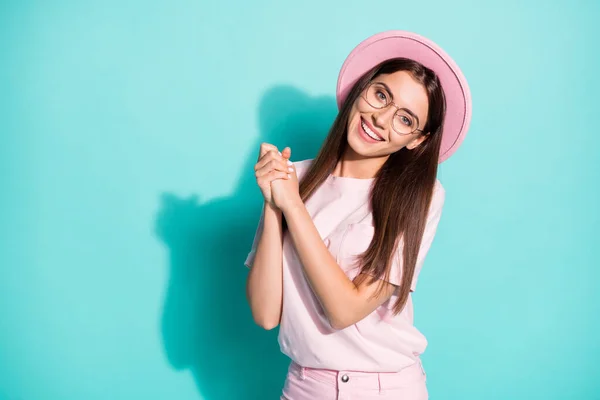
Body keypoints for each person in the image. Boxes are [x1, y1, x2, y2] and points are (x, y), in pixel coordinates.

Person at [245, 30, 472, 400]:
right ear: (361, 90)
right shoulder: (294, 179)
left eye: (405, 119)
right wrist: (273, 203)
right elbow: (266, 314)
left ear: (417, 140)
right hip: (303, 386)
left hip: (383, 389)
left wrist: (292, 205)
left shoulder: (420, 196)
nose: (380, 119)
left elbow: (344, 310)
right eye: (381, 95)